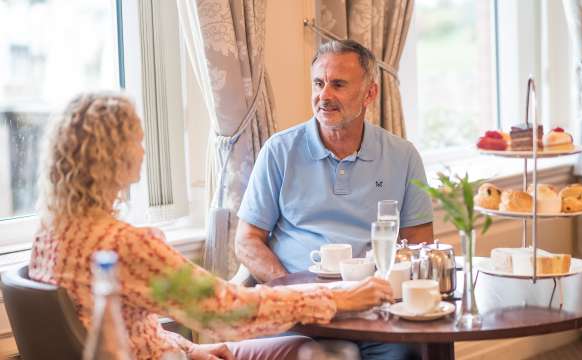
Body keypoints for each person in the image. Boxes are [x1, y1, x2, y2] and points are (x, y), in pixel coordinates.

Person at [28, 92, 394, 360]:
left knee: (300, 347)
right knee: (320, 355)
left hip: (168, 353)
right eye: (137, 141)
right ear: (112, 157)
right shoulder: (123, 245)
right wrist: (336, 296)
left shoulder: (49, 237)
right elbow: (224, 309)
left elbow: (118, 325)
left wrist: (186, 346)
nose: (143, 151)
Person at [235, 40, 434, 359]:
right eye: (318, 83)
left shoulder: (403, 156)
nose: (324, 95)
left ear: (370, 94)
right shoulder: (279, 151)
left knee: (411, 353)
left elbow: (419, 243)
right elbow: (247, 240)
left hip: (377, 313)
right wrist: (295, 293)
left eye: (338, 84)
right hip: (303, 316)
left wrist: (385, 294)